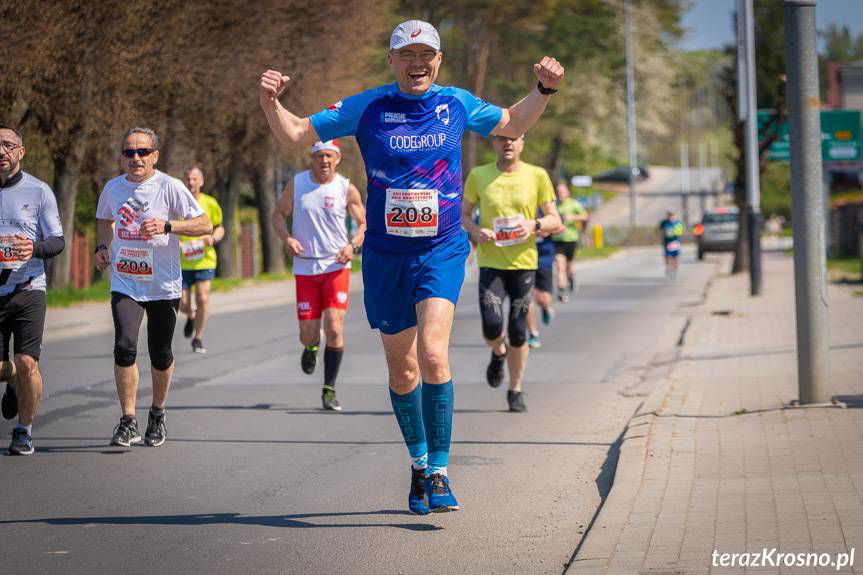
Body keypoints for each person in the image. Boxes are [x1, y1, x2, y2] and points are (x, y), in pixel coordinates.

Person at [259, 19, 563, 513]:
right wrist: (271, 102)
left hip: (440, 248)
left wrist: (544, 89)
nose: (417, 63)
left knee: (435, 355)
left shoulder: (456, 103)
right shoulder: (367, 106)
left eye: (426, 55)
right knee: (403, 371)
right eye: (407, 54)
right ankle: (419, 465)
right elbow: (297, 134)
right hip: (385, 255)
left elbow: (512, 122)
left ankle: (440, 472)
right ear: (392, 60)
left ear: (438, 60)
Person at [95, 127, 212, 448]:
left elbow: (204, 224)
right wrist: (102, 248)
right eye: (129, 152)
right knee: (124, 346)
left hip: (163, 284)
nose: (136, 158)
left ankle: (157, 414)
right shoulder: (112, 188)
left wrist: (167, 225)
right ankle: (128, 420)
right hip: (126, 281)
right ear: (122, 156)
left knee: (160, 353)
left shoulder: (170, 187)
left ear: (154, 156)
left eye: (142, 152)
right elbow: (104, 220)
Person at [462, 134, 561, 412]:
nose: (508, 143)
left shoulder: (537, 175)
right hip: (491, 262)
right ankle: (498, 352)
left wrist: (535, 224)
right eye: (501, 139)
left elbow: (556, 220)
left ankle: (515, 390)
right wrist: (476, 230)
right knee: (492, 326)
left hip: (524, 264)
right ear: (493, 144)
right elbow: (464, 214)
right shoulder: (479, 175)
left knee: (519, 331)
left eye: (513, 139)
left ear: (522, 144)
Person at [271, 140, 366, 411]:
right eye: (319, 156)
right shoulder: (297, 184)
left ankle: (329, 389)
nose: (324, 161)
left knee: (335, 327)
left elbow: (363, 224)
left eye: (329, 156)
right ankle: (311, 348)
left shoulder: (346, 188)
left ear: (338, 158)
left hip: (336, 266)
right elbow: (278, 215)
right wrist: (287, 239)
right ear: (311, 158)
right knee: (308, 333)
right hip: (305, 268)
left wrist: (353, 246)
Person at [0, 125, 65, 456]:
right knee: (6, 369)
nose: (1, 151)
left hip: (28, 287)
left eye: (8, 145)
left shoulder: (39, 191)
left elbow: (58, 241)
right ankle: (11, 381)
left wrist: (33, 249)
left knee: (27, 362)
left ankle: (23, 431)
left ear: (20, 152)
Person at [178, 166, 224, 354]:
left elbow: (220, 228)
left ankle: (198, 337)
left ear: (201, 181)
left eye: (195, 179)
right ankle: (191, 315)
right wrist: (177, 244)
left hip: (205, 260)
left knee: (203, 298)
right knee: (182, 304)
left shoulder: (210, 203)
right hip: (182, 261)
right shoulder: (177, 203)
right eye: (188, 179)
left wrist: (213, 238)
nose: (191, 183)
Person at [551, 182, 588, 303]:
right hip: (557, 240)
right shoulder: (554, 205)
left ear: (567, 192)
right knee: (559, 264)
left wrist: (574, 217)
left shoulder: (573, 204)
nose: (560, 194)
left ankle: (571, 278)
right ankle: (561, 290)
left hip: (571, 239)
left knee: (569, 265)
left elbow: (585, 216)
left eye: (562, 191)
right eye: (558, 192)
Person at [526, 226, 556, 349]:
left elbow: (560, 227)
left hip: (544, 258)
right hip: (522, 259)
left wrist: (544, 230)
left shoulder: (544, 207)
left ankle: (545, 306)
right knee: (526, 299)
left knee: (543, 298)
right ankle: (533, 333)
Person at [658, 209, 684, 280]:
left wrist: (677, 232)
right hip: (667, 242)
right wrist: (661, 239)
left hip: (675, 242)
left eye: (671, 214)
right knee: (667, 256)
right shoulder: (664, 222)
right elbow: (660, 231)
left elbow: (680, 232)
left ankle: (675, 270)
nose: (670, 215)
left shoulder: (677, 223)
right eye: (669, 214)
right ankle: (668, 268)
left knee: (675, 257)